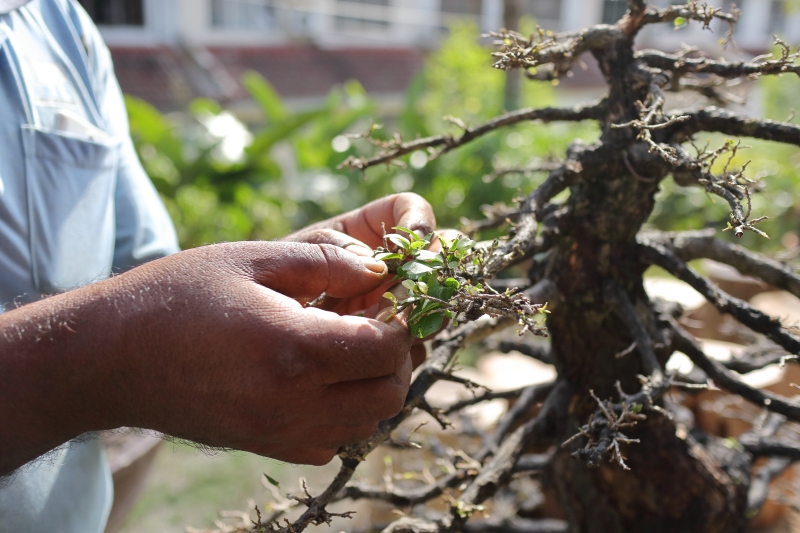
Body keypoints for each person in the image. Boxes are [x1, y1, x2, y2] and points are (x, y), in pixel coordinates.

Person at [0, 0, 435, 531]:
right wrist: (111, 354)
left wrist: (291, 288)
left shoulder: (58, 25)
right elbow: (128, 326)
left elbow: (140, 277)